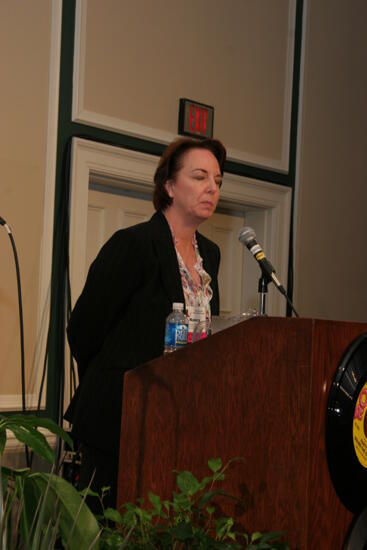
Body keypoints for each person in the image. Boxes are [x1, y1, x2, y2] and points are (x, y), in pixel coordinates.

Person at [65, 136, 226, 510]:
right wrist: (117, 381)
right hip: (118, 421)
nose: (211, 188)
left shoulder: (211, 256)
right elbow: (84, 329)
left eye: (217, 181)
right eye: (200, 176)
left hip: (179, 418)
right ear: (169, 185)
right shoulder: (134, 244)